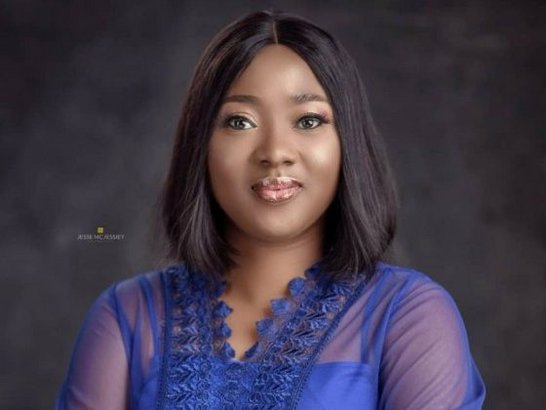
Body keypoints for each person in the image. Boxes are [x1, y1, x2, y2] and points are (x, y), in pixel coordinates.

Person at [55, 9, 486, 410]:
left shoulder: (409, 317)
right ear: (200, 146)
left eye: (308, 120)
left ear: (347, 143)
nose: (275, 152)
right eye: (240, 122)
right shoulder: (127, 316)